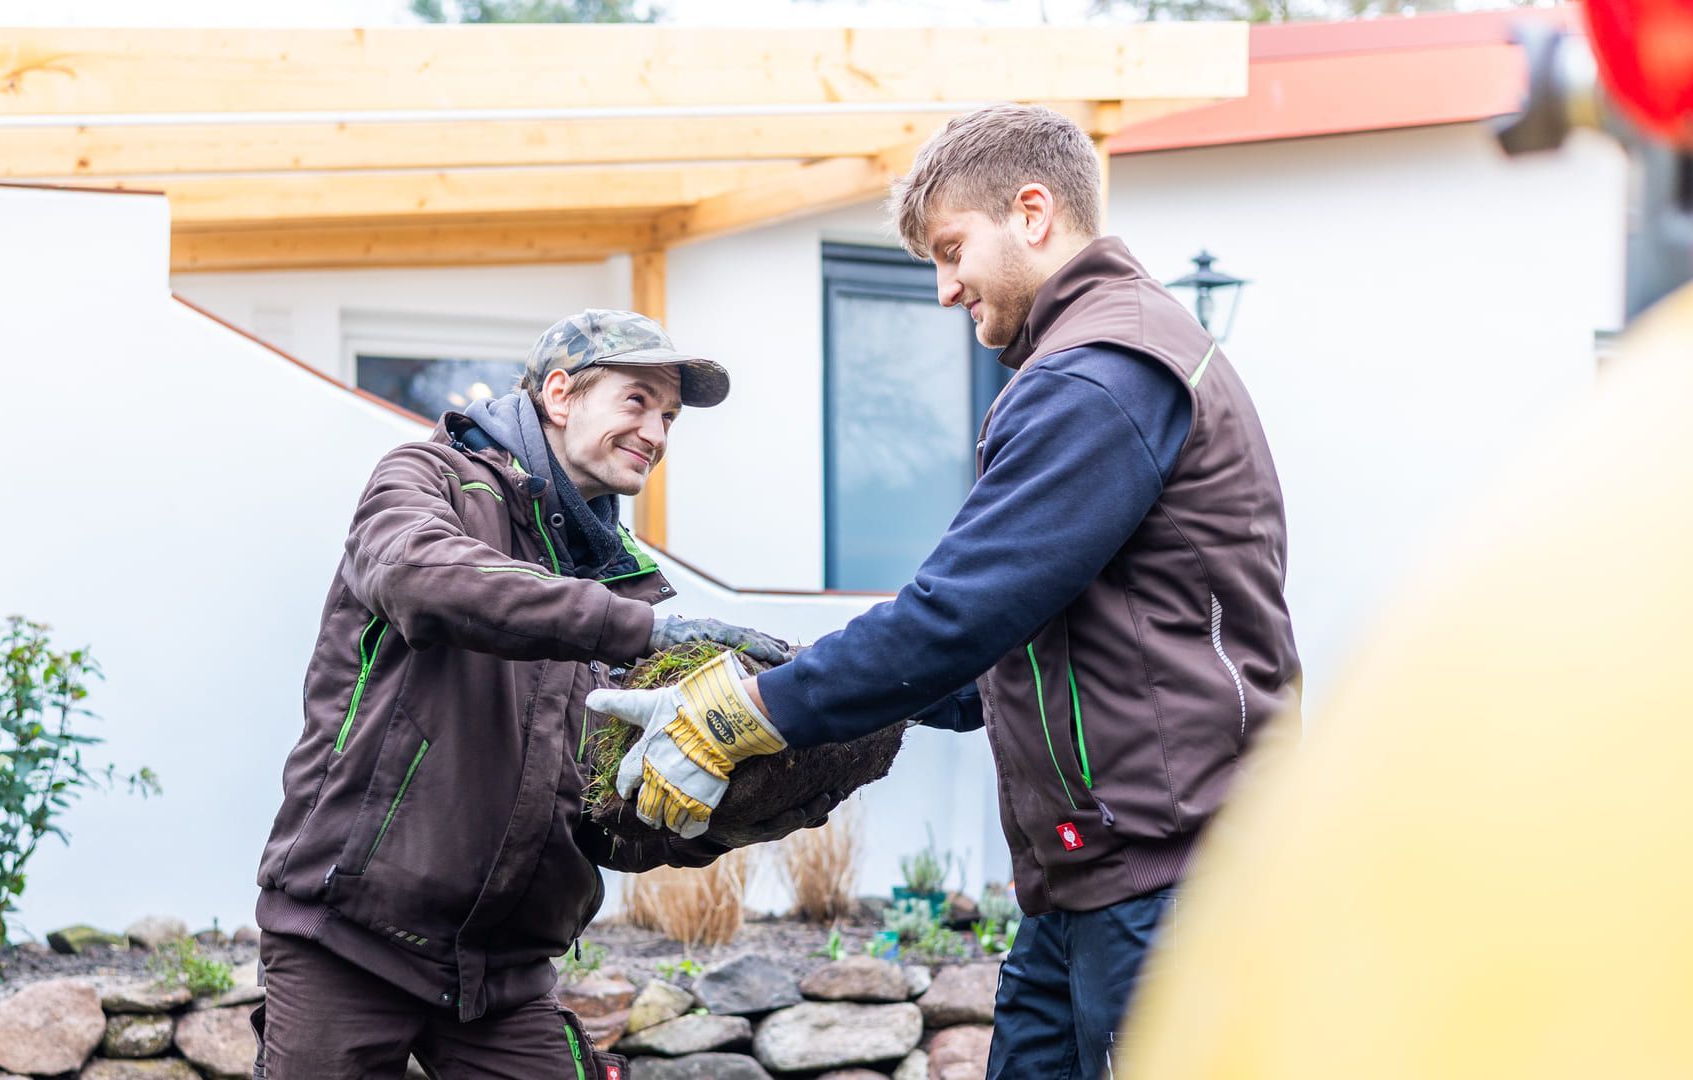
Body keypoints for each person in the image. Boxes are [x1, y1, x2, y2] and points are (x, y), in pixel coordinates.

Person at [588, 106, 1303, 1079]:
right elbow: (1005, 653)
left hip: (1169, 881)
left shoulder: (1102, 375)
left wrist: (744, 715)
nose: (941, 288)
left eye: (953, 248)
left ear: (1035, 211)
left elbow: (960, 613)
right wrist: (795, 686)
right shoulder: (1089, 365)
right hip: (1088, 885)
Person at [251, 309, 817, 1080]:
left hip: (502, 974)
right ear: (559, 392)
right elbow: (422, 579)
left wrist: (759, 798)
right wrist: (638, 634)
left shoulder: (619, 589)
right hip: (346, 939)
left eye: (670, 417)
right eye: (637, 401)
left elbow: (611, 822)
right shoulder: (427, 481)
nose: (656, 433)